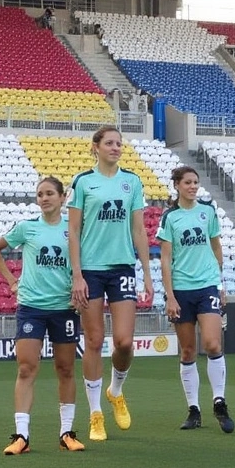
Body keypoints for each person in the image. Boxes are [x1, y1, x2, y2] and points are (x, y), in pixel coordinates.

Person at [0, 177, 85, 456]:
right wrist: (11, 281)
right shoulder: (27, 228)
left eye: (50, 193)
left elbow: (86, 262)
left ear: (63, 197)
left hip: (64, 307)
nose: (44, 198)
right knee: (26, 368)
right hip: (31, 306)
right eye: (40, 194)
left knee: (65, 369)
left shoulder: (74, 229)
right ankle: (22, 436)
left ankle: (66, 432)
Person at [68, 126, 152, 441]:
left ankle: (115, 390)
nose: (116, 147)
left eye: (119, 143)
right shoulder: (83, 182)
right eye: (110, 143)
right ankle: (95, 414)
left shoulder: (132, 181)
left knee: (124, 342)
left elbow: (139, 231)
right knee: (93, 341)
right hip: (89, 270)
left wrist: (146, 272)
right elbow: (73, 231)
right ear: (96, 147)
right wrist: (76, 274)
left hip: (122, 268)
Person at [157, 166, 233, 433]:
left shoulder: (208, 211)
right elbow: (165, 259)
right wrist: (170, 296)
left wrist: (220, 283)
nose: (192, 186)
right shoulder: (170, 218)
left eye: (195, 182)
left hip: (207, 286)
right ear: (177, 185)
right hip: (181, 289)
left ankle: (219, 402)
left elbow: (216, 247)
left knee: (212, 343)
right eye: (187, 182)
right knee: (188, 350)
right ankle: (193, 409)